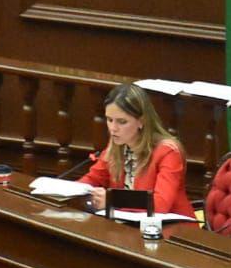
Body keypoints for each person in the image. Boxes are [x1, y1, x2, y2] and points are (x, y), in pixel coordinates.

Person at [80, 83, 195, 218]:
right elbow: (91, 179)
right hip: (130, 227)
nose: (113, 128)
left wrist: (113, 199)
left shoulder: (168, 152)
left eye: (122, 122)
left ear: (142, 121)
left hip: (174, 232)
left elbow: (160, 204)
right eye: (109, 120)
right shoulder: (116, 147)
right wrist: (66, 190)